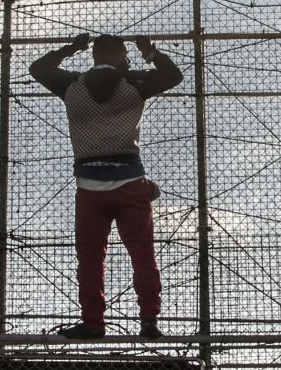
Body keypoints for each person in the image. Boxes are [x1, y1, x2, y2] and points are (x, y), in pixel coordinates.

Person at [30, 32, 182, 339]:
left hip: (89, 186)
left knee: (90, 258)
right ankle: (149, 322)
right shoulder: (135, 82)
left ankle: (93, 323)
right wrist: (150, 53)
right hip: (129, 181)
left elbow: (38, 68)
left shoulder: (71, 85)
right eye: (126, 56)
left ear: (95, 57)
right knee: (142, 254)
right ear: (121, 57)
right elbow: (173, 76)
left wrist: (71, 49)